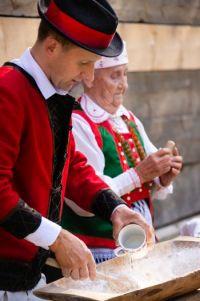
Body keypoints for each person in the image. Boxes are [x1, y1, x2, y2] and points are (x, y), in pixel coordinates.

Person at [0, 1, 154, 300]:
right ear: (52, 47)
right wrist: (57, 238)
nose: (88, 78)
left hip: (33, 273)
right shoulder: (8, 90)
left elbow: (71, 167)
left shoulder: (52, 92)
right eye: (84, 64)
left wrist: (116, 208)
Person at [62, 42, 183, 263]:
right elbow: (84, 199)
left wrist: (161, 179)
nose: (123, 85)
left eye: (125, 75)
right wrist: (138, 175)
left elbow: (143, 184)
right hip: (101, 252)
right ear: (89, 77)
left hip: (142, 244)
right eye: (115, 76)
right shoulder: (78, 122)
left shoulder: (129, 119)